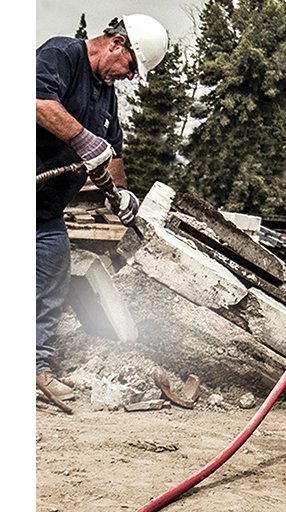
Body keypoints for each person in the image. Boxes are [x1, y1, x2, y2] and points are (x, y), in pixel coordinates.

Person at [36, 15, 169, 400]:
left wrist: (122, 193)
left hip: (44, 212)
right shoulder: (62, 54)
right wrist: (82, 139)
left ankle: (35, 370)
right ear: (117, 43)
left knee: (50, 280)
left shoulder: (105, 94)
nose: (130, 77)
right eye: (131, 67)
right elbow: (35, 100)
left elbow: (111, 150)